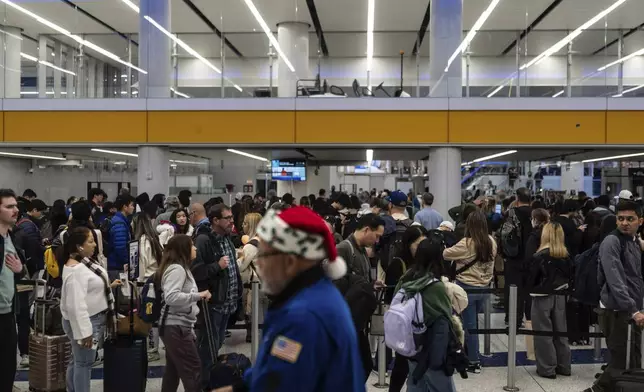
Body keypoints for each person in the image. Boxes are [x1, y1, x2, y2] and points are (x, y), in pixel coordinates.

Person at [217, 206, 365, 392]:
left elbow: (281, 382)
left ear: (291, 260)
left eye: (266, 255)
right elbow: (276, 364)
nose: (260, 263)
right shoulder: (312, 296)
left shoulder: (303, 316)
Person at [586, 201, 644, 392]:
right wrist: (633, 310)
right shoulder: (612, 241)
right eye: (621, 219)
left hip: (630, 309)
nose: (625, 223)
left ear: (640, 221)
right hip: (616, 310)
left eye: (630, 219)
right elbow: (615, 280)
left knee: (633, 361)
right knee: (620, 360)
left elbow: (634, 278)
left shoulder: (633, 242)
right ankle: (597, 390)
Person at [59, 226, 121, 392]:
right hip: (87, 322)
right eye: (91, 242)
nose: (94, 245)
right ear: (79, 246)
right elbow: (75, 305)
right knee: (84, 363)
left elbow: (88, 288)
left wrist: (107, 286)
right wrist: (85, 331)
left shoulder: (84, 263)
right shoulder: (76, 271)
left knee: (77, 360)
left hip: (90, 319)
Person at [395, 233, 458, 392]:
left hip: (411, 342)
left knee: (416, 383)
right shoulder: (435, 285)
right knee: (441, 385)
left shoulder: (406, 278)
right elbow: (445, 316)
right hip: (433, 345)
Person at [190, 203, 242, 390]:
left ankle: (210, 384)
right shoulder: (204, 240)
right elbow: (196, 272)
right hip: (212, 305)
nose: (231, 221)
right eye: (227, 218)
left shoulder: (227, 238)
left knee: (216, 347)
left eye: (231, 218)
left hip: (227, 304)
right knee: (206, 351)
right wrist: (217, 266)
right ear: (215, 220)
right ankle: (202, 386)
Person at [443, 209, 497, 372]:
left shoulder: (466, 243)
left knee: (468, 327)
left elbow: (446, 254)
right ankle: (470, 355)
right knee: (472, 325)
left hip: (466, 288)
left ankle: (473, 360)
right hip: (484, 288)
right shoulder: (491, 241)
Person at [157, 234, 211, 392]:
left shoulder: (181, 268)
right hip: (176, 326)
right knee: (192, 368)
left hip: (176, 326)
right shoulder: (177, 269)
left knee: (173, 371)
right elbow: (171, 297)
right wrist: (198, 295)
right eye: (192, 245)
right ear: (184, 249)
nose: (195, 248)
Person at [528, 222, 573, 379]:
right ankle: (564, 365)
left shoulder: (539, 256)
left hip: (541, 297)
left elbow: (531, 280)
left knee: (543, 332)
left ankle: (547, 368)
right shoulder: (566, 255)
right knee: (561, 331)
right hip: (561, 296)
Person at [14, 199, 47, 368]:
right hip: (21, 279)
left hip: (22, 278)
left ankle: (25, 352)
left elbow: (29, 255)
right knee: (22, 314)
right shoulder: (25, 228)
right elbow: (34, 251)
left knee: (23, 313)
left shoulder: (20, 231)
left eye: (13, 207)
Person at [0, 189, 28, 391]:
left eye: (16, 205)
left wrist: (20, 270)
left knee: (8, 369)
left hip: (8, 314)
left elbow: (18, 270)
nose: (15, 210)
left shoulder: (12, 237)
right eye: (9, 206)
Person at [503, 188, 533, 329]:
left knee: (513, 290)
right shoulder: (537, 214)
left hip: (514, 257)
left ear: (517, 198)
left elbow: (503, 235)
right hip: (533, 258)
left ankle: (513, 318)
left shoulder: (511, 214)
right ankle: (530, 320)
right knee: (529, 291)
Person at [336, 214, 385, 283]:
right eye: (377, 236)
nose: (377, 240)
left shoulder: (362, 249)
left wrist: (371, 285)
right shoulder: (342, 249)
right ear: (366, 230)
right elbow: (339, 283)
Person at [237, 212, 262, 342]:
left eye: (245, 223)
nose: (242, 225)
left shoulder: (251, 246)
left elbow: (240, 266)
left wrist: (240, 255)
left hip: (255, 284)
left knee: (253, 313)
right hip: (267, 283)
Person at [107, 194, 136, 279]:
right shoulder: (119, 223)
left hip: (115, 264)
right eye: (131, 205)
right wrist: (127, 262)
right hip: (117, 266)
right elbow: (120, 247)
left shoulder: (119, 220)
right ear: (125, 207)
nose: (133, 207)